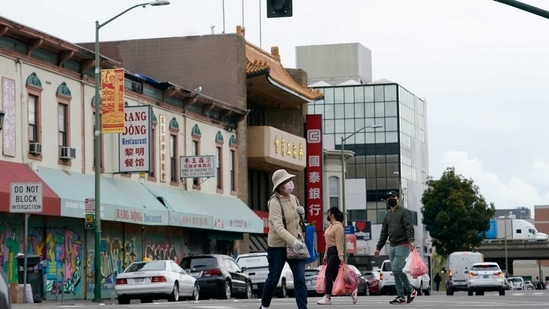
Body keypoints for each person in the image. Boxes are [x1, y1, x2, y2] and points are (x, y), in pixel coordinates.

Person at [260, 169, 308, 309]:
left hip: (296, 245)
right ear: (280, 185)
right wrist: (293, 241)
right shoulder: (274, 202)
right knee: (273, 279)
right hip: (278, 246)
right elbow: (278, 227)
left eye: (290, 180)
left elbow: (298, 222)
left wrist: (302, 215)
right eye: (286, 181)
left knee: (300, 279)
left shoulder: (294, 198)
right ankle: (264, 306)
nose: (290, 183)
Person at [375, 191, 417, 305]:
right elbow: (384, 233)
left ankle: (411, 290)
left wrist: (411, 241)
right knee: (394, 270)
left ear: (397, 199)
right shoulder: (388, 215)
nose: (390, 200)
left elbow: (409, 227)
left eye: (392, 197)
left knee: (397, 268)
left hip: (403, 244)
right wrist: (378, 247)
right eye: (388, 198)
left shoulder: (403, 212)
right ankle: (400, 296)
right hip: (393, 245)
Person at [317, 207, 358, 305]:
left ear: (332, 214)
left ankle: (327, 297)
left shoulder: (338, 227)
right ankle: (352, 290)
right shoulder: (329, 226)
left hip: (335, 252)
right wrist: (325, 254)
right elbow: (327, 242)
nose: (327, 214)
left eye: (329, 213)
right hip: (330, 251)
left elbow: (339, 242)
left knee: (328, 274)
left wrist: (340, 256)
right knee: (336, 276)